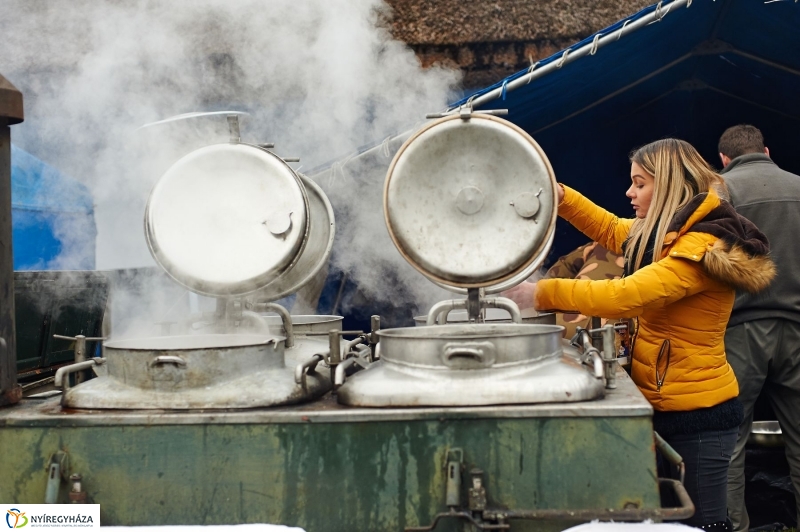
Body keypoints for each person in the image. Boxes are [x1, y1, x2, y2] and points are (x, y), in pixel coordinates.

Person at [503, 138, 775, 531]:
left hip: (699, 416)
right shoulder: (667, 236)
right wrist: (560, 197)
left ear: (666, 186)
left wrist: (541, 292)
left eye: (640, 183)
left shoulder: (698, 249)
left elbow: (625, 295)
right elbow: (611, 228)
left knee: (704, 524)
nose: (629, 192)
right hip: (669, 404)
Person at [717, 124, 800, 531]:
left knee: (731, 442)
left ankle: (735, 526)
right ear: (767, 150)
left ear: (724, 160)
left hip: (740, 331)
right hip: (798, 329)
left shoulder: (720, 192)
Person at [543, 241, 624, 339]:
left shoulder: (644, 258)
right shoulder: (605, 242)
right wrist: (539, 289)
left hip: (613, 342)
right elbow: (565, 266)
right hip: (557, 336)